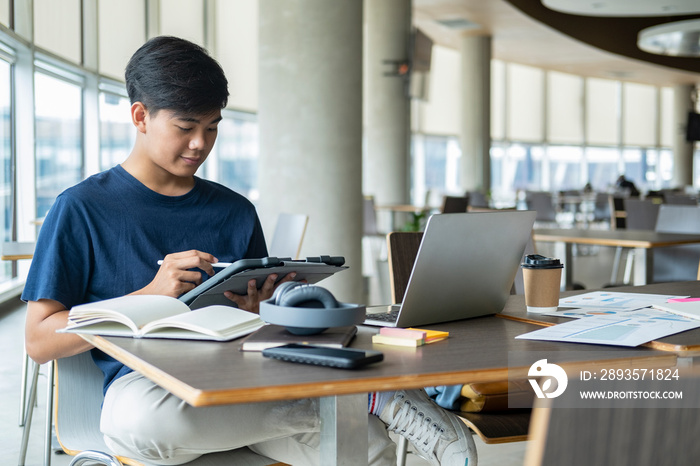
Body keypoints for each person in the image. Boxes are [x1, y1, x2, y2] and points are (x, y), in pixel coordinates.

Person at [22, 36, 476, 466]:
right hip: (152, 390)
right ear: (140, 117)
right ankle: (367, 398)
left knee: (366, 446)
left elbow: (261, 329)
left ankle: (357, 404)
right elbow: (39, 340)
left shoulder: (234, 210)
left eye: (212, 127)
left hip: (249, 379)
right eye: (185, 127)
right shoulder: (81, 208)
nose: (201, 143)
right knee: (137, 424)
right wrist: (151, 295)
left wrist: (264, 310)